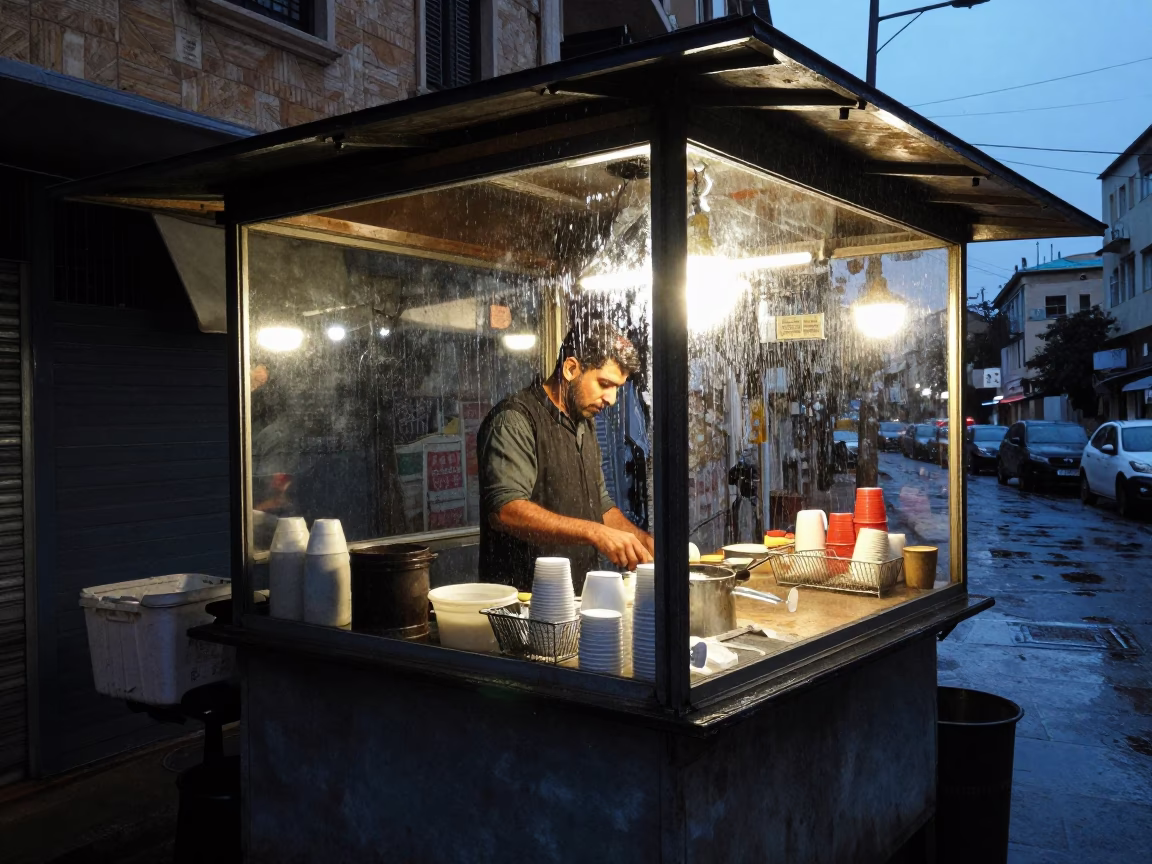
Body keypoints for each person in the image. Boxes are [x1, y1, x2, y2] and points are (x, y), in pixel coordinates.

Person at [477, 322, 655, 593]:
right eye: (604, 383)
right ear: (571, 369)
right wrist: (595, 532)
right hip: (523, 604)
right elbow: (507, 511)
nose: (611, 399)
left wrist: (642, 541)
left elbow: (601, 505)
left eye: (617, 387)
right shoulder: (515, 420)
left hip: (575, 598)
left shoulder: (584, 424)